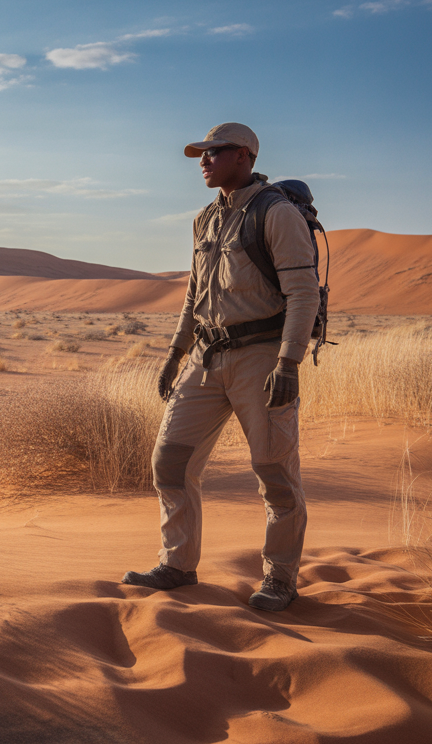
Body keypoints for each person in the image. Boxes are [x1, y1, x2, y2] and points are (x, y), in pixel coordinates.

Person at [122, 123, 320, 612]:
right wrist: (174, 354)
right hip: (205, 358)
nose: (204, 161)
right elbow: (195, 294)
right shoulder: (204, 219)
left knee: (274, 473)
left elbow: (303, 293)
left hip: (262, 358)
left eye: (215, 152)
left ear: (245, 156)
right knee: (170, 463)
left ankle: (280, 578)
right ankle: (177, 564)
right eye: (201, 154)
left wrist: (289, 361)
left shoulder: (274, 213)